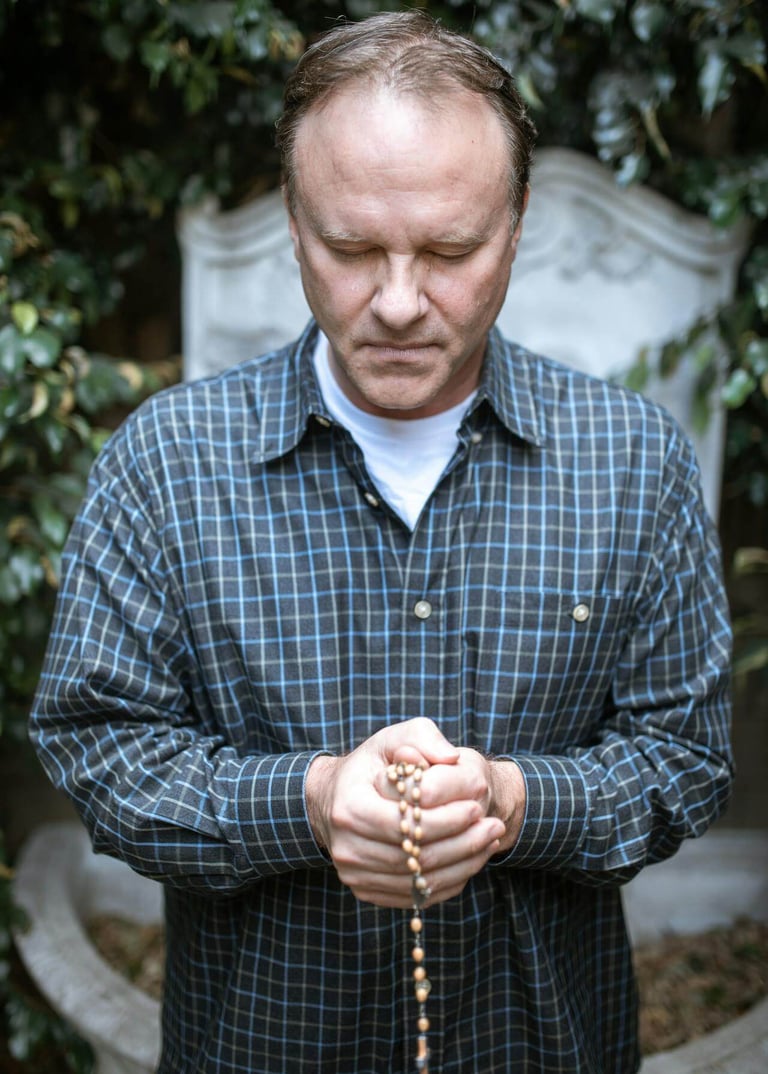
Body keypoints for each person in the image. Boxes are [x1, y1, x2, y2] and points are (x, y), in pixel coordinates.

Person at [30, 10, 733, 1074]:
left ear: (519, 220)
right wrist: (303, 801)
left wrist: (517, 802)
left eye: (451, 250)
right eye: (351, 247)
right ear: (293, 218)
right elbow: (96, 744)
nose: (399, 304)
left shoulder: (633, 460)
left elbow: (684, 762)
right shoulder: (167, 462)